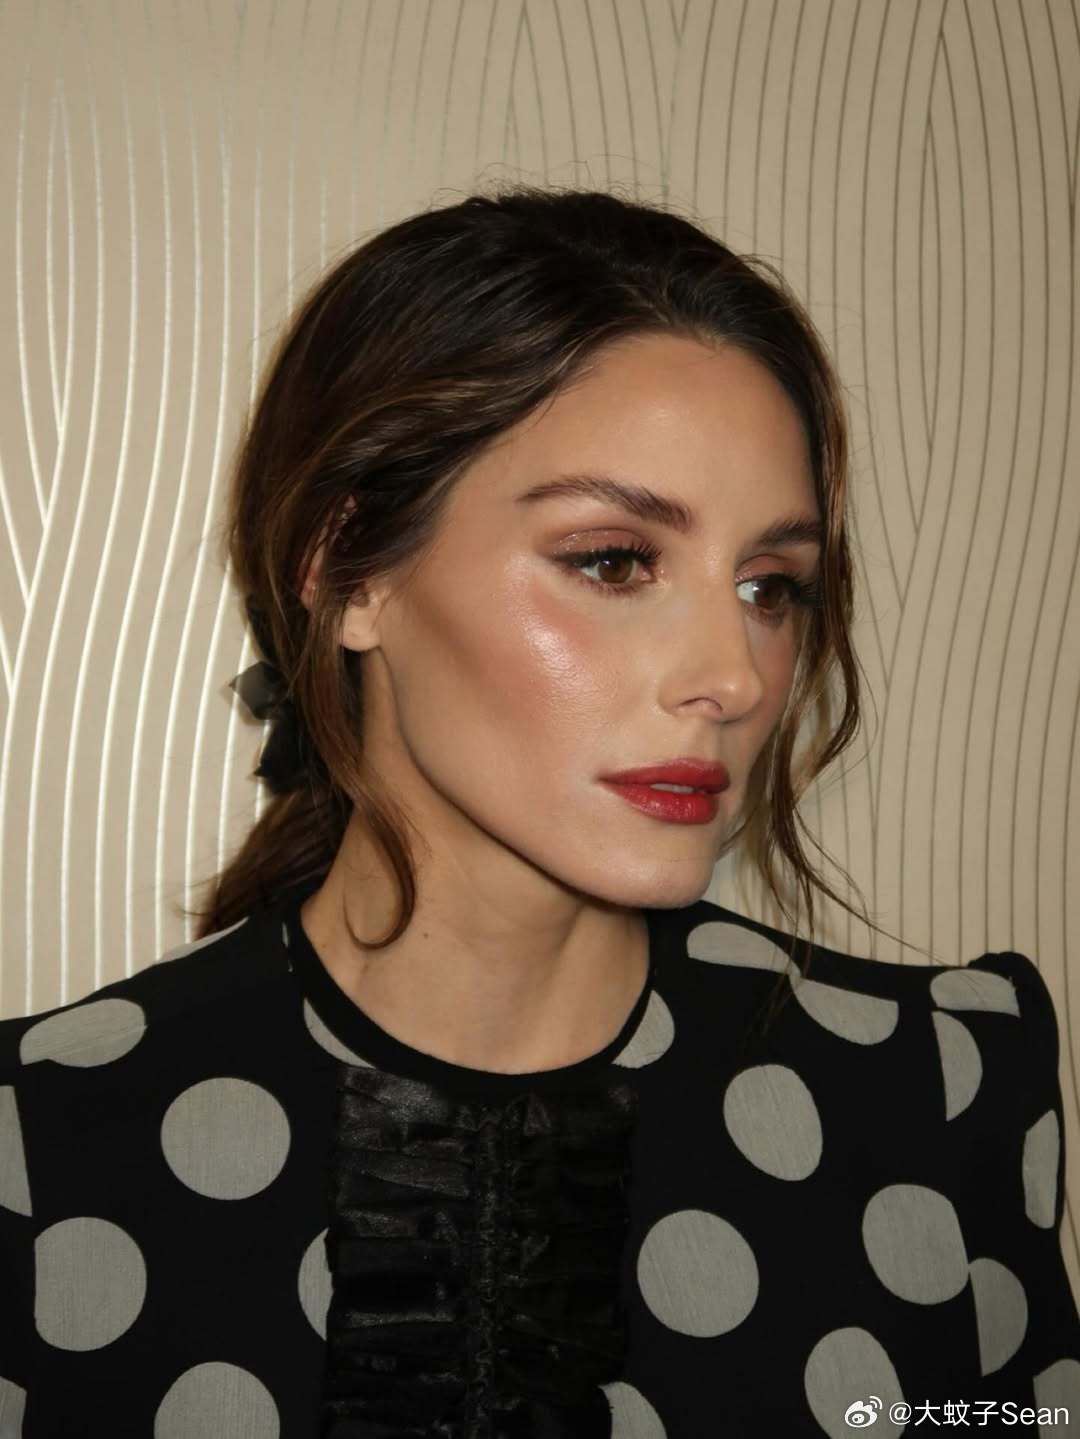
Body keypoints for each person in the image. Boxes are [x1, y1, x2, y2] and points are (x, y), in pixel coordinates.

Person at [1, 185, 1077, 1439]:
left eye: (770, 585)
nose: (734, 677)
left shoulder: (936, 1090)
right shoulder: (37, 1146)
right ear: (347, 572)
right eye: (614, 560)